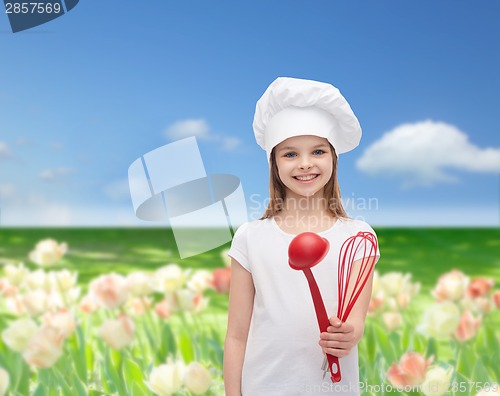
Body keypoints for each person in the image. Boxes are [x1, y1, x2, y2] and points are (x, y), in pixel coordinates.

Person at [223, 77, 381, 396]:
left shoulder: (359, 237)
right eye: (290, 154)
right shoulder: (250, 238)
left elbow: (356, 321)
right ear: (274, 163)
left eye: (318, 151)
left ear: (333, 158)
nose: (305, 164)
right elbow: (237, 335)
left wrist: (348, 335)